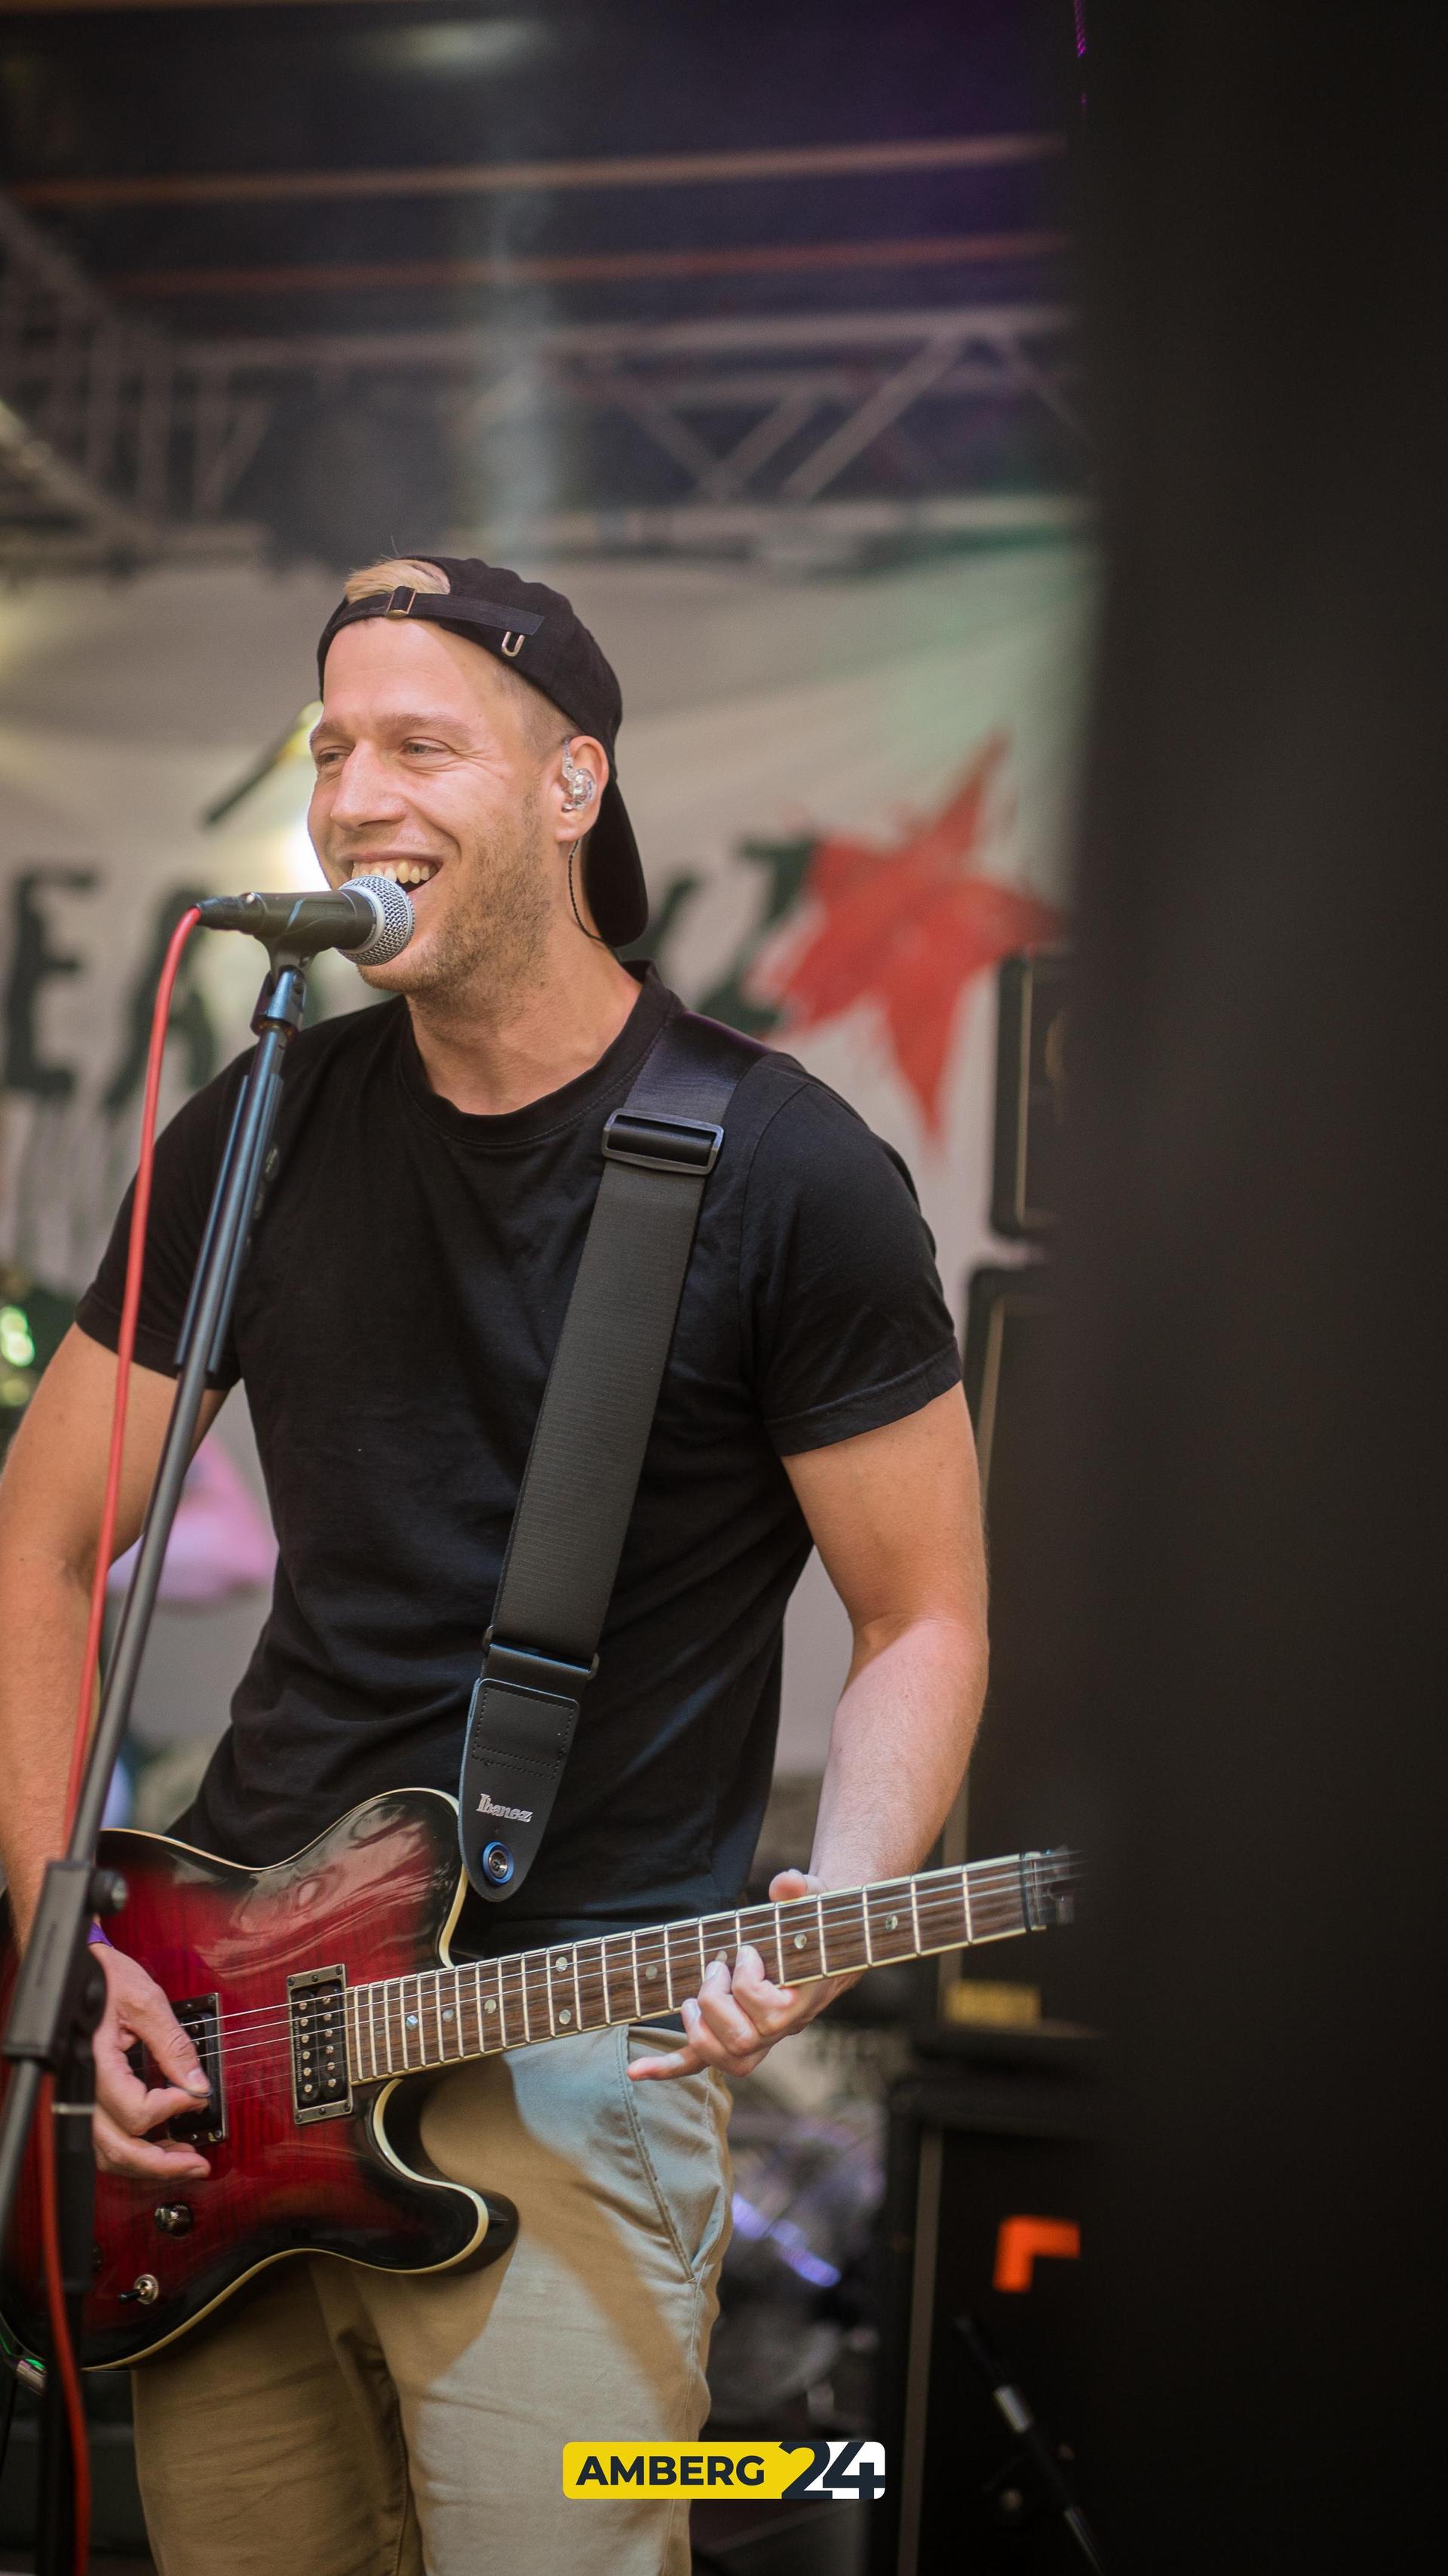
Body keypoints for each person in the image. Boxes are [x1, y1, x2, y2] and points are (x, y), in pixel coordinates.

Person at [0, 555, 988, 2576]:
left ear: (571, 785)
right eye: (331, 748)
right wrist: (61, 1942)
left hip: (577, 2060)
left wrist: (850, 1895)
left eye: (419, 746)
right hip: (223, 2051)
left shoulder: (784, 1170)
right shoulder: (263, 1121)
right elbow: (39, 1544)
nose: (354, 795)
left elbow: (925, 1611)